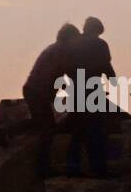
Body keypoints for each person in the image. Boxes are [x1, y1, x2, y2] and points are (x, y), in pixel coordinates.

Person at [22, 23, 80, 176]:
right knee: (48, 128)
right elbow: (68, 72)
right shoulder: (60, 51)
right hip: (38, 91)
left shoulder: (54, 49)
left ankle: (5, 132)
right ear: (69, 38)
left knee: (38, 122)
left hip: (34, 90)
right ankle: (43, 167)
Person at [66, 16, 115, 176]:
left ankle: (73, 168)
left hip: (75, 90)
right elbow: (106, 66)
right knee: (96, 131)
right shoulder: (100, 44)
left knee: (77, 132)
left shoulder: (72, 44)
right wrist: (113, 82)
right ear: (96, 31)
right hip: (93, 90)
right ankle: (98, 169)